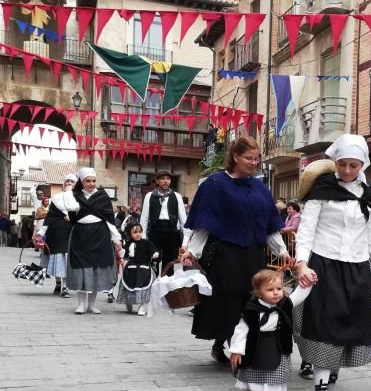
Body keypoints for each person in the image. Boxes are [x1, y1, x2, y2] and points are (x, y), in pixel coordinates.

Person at [294, 134, 371, 391]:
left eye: (353, 165)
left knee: (346, 327)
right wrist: (301, 263)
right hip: (324, 265)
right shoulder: (321, 189)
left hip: (357, 266)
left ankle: (331, 386)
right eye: (343, 164)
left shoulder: (369, 193)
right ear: (335, 162)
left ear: (363, 165)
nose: (347, 171)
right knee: (324, 327)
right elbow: (306, 230)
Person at [181, 135, 291, 365]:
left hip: (253, 254)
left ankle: (245, 346)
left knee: (252, 299)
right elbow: (203, 224)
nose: (253, 163)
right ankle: (220, 344)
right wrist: (192, 250)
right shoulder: (215, 184)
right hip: (225, 254)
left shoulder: (260, 188)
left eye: (257, 159)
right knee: (226, 302)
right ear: (235, 157)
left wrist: (282, 251)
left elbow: (270, 225)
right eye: (249, 158)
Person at [227, 269, 311, 391]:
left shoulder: (285, 305)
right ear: (259, 293)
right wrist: (236, 351)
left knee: (276, 380)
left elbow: (299, 295)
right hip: (254, 348)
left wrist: (309, 282)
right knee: (247, 377)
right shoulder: (251, 310)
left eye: (279, 289)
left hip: (278, 347)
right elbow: (241, 330)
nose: (276, 293)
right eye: (270, 290)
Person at [65, 167, 122, 315]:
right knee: (82, 269)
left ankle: (91, 305)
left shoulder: (102, 197)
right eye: (87, 181)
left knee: (96, 270)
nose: (91, 184)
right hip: (80, 236)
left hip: (99, 235)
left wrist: (116, 238)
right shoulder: (75, 195)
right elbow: (70, 216)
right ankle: (81, 305)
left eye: (93, 181)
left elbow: (109, 220)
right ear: (82, 182)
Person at [36, 173, 77, 298]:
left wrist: (72, 218)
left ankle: (65, 287)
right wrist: (40, 232)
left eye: (72, 181)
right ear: (64, 184)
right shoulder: (57, 197)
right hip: (56, 233)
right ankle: (59, 283)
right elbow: (50, 216)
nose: (69, 183)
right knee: (58, 259)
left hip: (71, 233)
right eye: (67, 181)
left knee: (66, 259)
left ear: (75, 184)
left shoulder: (79, 198)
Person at [140, 171, 187, 275]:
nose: (166, 181)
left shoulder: (177, 196)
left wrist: (185, 240)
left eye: (168, 179)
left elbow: (183, 219)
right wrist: (143, 238)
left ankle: (166, 287)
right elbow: (144, 218)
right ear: (157, 181)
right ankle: (153, 284)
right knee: (154, 259)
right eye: (163, 179)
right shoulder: (149, 196)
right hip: (155, 232)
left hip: (171, 232)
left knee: (169, 262)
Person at [117, 222, 158, 316]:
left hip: (144, 269)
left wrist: (155, 253)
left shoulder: (146, 242)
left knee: (144, 288)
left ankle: (142, 306)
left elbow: (153, 249)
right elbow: (124, 252)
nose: (138, 234)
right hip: (131, 269)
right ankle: (129, 302)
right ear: (130, 234)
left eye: (140, 232)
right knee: (129, 286)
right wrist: (122, 258)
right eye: (135, 232)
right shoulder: (128, 243)